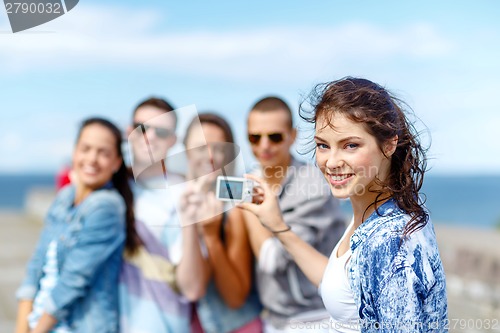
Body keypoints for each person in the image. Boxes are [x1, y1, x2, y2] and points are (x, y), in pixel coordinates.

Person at [238, 77, 448, 332]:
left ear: (389, 144)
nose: (332, 161)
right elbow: (340, 285)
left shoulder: (391, 240)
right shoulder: (371, 213)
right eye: (323, 145)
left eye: (351, 145)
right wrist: (278, 226)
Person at [15, 117, 139, 333]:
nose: (92, 158)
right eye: (86, 148)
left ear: (117, 162)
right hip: (39, 325)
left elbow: (72, 282)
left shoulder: (107, 206)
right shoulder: (64, 197)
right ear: (74, 153)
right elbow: (35, 268)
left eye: (104, 152)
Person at [243, 96, 346, 332]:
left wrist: (247, 205)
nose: (264, 146)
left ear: (292, 136)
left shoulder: (313, 186)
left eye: (275, 136)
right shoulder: (252, 178)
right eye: (254, 137)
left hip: (315, 318)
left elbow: (273, 260)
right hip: (273, 318)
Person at [120, 97, 209, 333]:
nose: (149, 136)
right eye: (141, 127)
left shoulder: (184, 194)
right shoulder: (112, 187)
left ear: (173, 140)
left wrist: (190, 220)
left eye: (160, 131)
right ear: (129, 131)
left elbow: (192, 288)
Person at [183, 113, 262, 333]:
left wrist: (211, 237)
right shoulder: (179, 199)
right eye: (200, 148)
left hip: (236, 326)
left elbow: (235, 298)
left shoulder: (235, 204)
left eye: (219, 148)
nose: (210, 156)